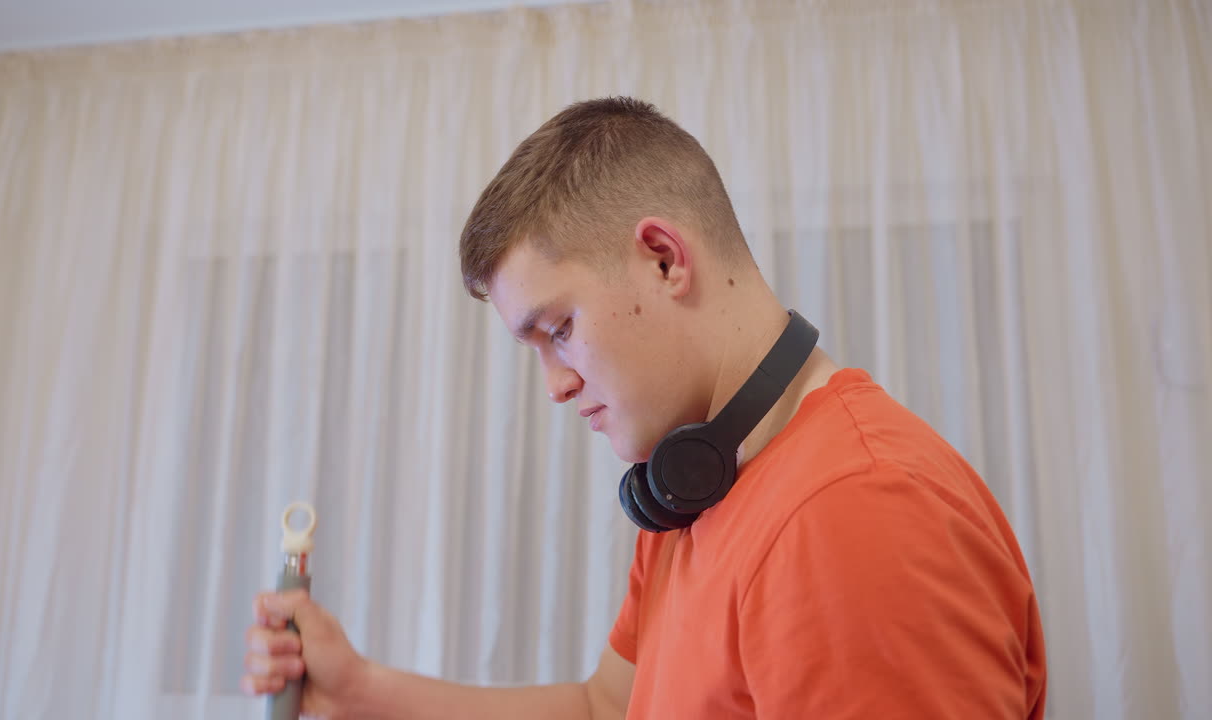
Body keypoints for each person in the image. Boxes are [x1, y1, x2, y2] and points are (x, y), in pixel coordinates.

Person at [241, 97, 1047, 719]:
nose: (554, 383)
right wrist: (361, 689)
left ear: (665, 259)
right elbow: (605, 709)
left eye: (558, 330)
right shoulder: (693, 490)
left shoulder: (854, 514)